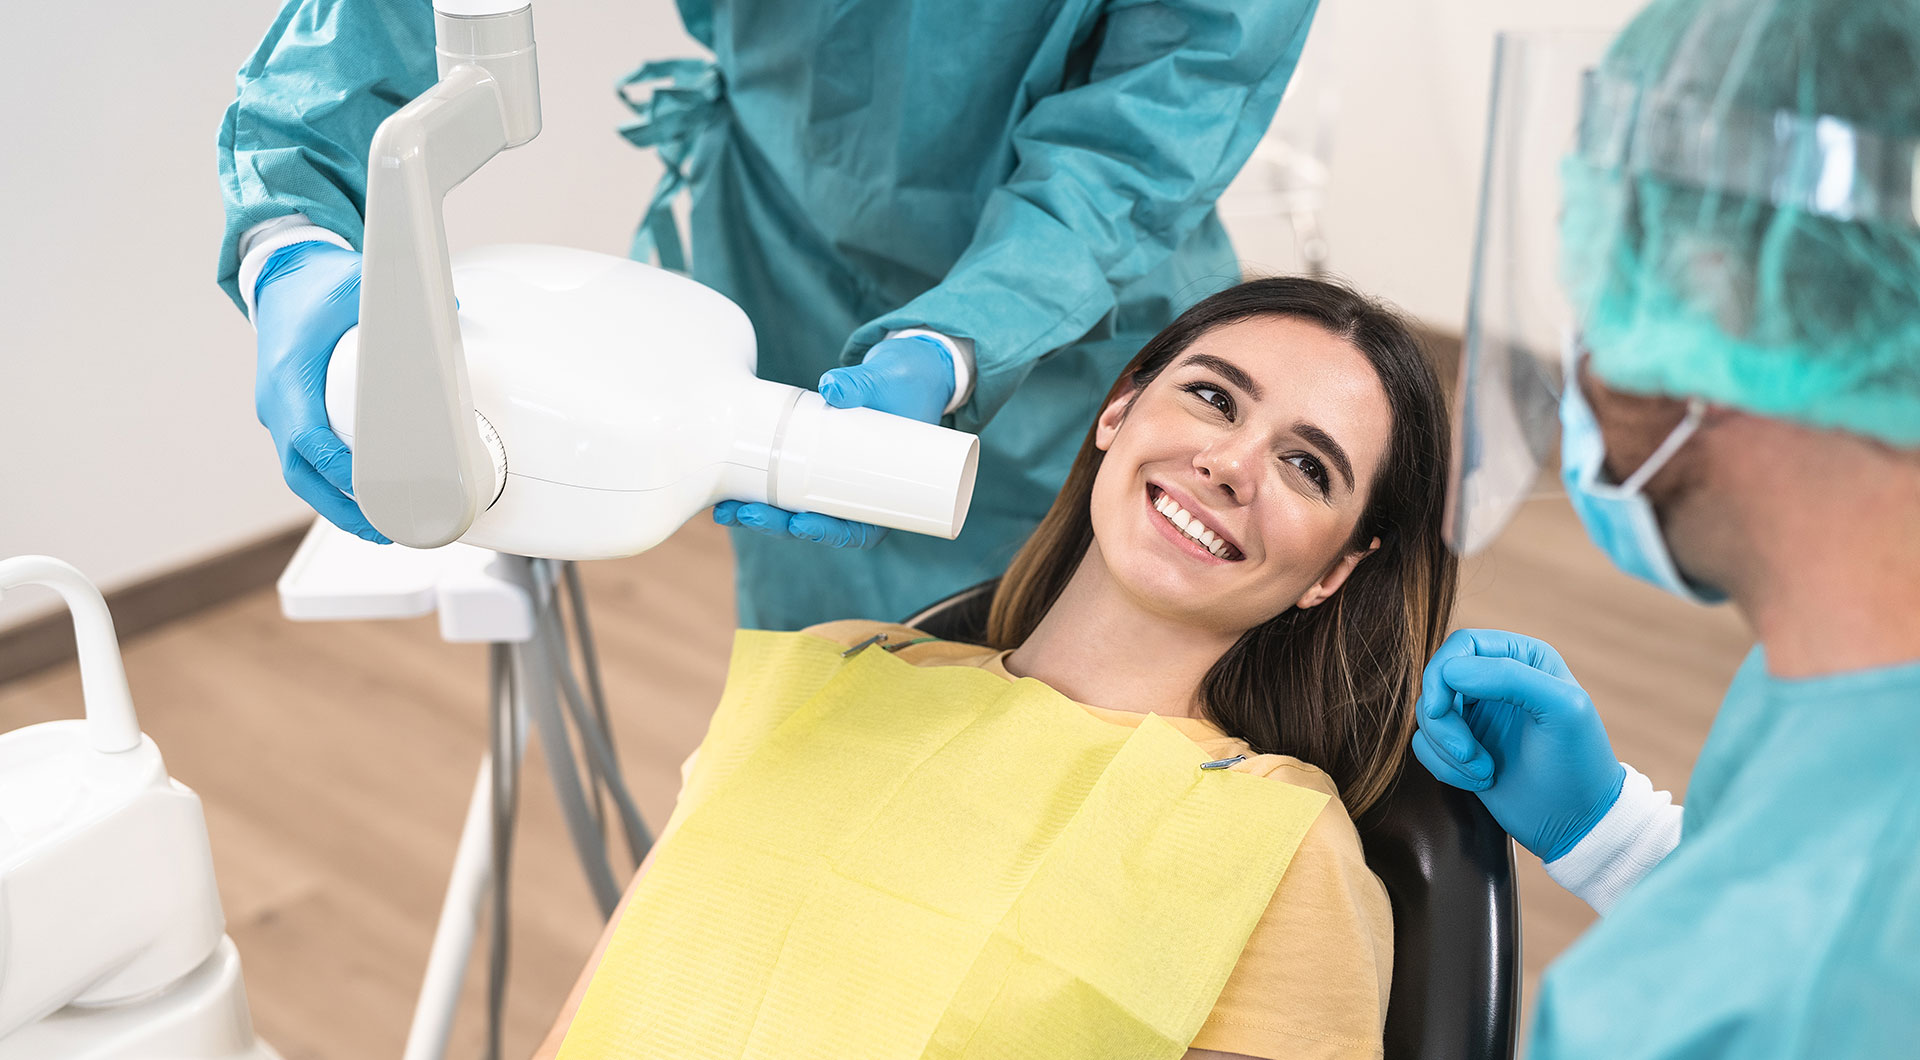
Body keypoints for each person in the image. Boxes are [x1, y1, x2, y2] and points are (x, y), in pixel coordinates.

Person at [529, 277, 1457, 1059]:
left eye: (1306, 466)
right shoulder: (839, 668)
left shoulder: (1277, 849)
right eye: (1214, 398)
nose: (1229, 463)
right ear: (1120, 408)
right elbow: (608, 1001)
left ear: (1335, 569)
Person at [216, 0, 1323, 630]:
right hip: (785, 259)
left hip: (1078, 327)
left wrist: (963, 335)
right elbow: (369, 30)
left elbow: (1147, 127)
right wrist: (292, 244)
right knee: (827, 738)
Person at [1414, 0, 1920, 1055]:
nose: (1588, 337)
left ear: (1717, 289)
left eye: (1608, 270)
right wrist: (1616, 838)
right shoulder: (1838, 676)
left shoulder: (1757, 999)